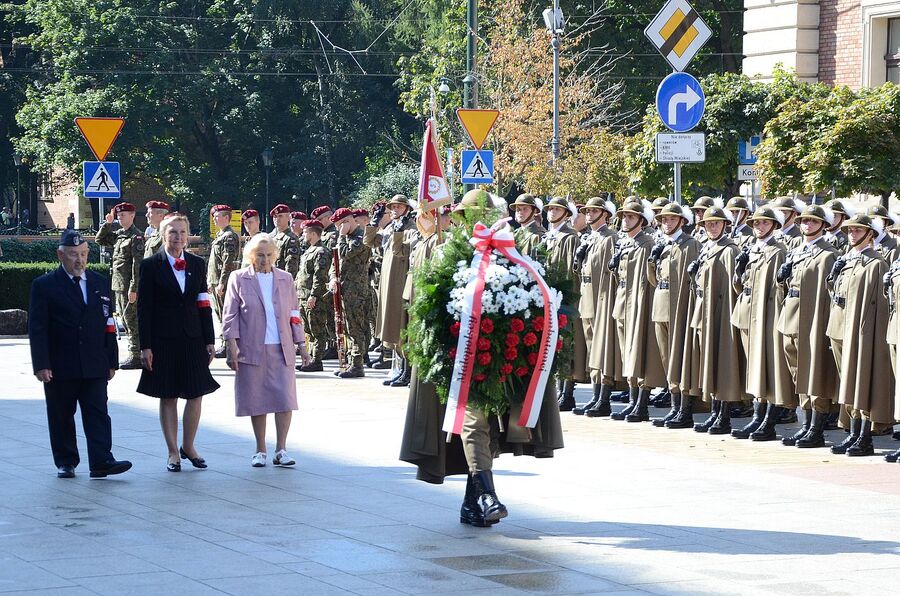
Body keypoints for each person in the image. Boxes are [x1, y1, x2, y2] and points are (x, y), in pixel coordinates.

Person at [400, 189, 563, 527]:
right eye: (469, 215)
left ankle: (471, 502)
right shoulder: (446, 251)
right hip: (456, 354)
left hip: (498, 351)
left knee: (488, 423)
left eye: (482, 216)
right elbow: (424, 298)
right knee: (472, 420)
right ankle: (487, 496)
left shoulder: (509, 252)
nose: (477, 221)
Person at [28, 230, 132, 479]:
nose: (80, 260)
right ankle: (66, 461)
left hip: (94, 361)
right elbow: (38, 328)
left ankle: (101, 460)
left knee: (98, 411)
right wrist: (41, 364)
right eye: (74, 255)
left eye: (84, 254)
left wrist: (111, 360)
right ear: (60, 255)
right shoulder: (45, 286)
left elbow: (109, 323)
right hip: (61, 363)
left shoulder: (98, 282)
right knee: (62, 413)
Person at [137, 214, 220, 471]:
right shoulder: (151, 265)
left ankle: (189, 446)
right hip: (163, 339)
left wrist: (209, 339)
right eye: (173, 232)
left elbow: (204, 302)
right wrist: (146, 345)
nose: (179, 237)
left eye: (183, 232)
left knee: (197, 393)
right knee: (169, 394)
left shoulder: (197, 262)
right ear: (164, 235)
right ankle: (173, 452)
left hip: (193, 337)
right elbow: (144, 309)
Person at [223, 234, 310, 467]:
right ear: (251, 256)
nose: (264, 259)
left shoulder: (285, 278)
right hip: (252, 348)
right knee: (256, 400)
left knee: (284, 399)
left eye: (269, 255)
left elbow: (294, 313)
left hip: (281, 348)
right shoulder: (239, 278)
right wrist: (232, 348)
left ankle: (281, 449)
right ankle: (260, 449)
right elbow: (230, 315)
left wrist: (302, 345)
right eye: (260, 255)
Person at [775, 205, 840, 448]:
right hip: (791, 317)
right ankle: (806, 423)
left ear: (823, 225)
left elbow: (827, 294)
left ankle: (816, 428)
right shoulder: (796, 250)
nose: (807, 225)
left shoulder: (828, 254)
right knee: (798, 372)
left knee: (815, 372)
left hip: (812, 320)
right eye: (804, 221)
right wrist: (781, 277)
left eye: (813, 222)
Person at [828, 214, 893, 456]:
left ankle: (864, 436)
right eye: (850, 231)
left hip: (862, 332)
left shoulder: (876, 264)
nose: (852, 234)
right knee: (848, 381)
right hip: (841, 328)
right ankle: (854, 432)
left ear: (871, 234)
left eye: (858, 230)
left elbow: (878, 307)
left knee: (862, 381)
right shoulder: (849, 259)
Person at [731, 206, 793, 441]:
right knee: (754, 367)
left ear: (774, 226)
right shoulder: (754, 250)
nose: (759, 227)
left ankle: (768, 420)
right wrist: (739, 271)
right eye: (756, 223)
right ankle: (758, 417)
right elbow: (743, 286)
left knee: (768, 367)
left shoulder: (777, 251)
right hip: (749, 314)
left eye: (765, 223)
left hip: (766, 315)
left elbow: (776, 289)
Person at [609, 199, 666, 421]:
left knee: (639, 352)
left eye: (631, 217)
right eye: (624, 216)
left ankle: (640, 403)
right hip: (623, 303)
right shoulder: (627, 242)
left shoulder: (646, 244)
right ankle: (633, 400)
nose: (625, 220)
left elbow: (644, 281)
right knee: (627, 353)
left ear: (641, 220)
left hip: (637, 305)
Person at [646, 203, 700, 428]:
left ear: (681, 221)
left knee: (680, 357)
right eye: (664, 219)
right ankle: (674, 405)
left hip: (680, 306)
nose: (666, 223)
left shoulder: (690, 245)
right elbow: (653, 279)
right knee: (667, 358)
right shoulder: (662, 244)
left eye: (671, 219)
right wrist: (652, 260)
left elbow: (693, 282)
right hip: (661, 304)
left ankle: (684, 409)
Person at [690, 207, 743, 434]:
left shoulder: (729, 250)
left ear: (724, 225)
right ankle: (714, 411)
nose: (711, 227)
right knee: (708, 361)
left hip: (720, 312)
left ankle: (723, 416)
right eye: (708, 223)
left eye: (716, 223)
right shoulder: (707, 248)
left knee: (722, 363)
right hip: (705, 310)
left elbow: (731, 289)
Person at [364, 195, 418, 387]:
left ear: (407, 209)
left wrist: (400, 229)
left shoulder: (411, 228)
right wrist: (373, 222)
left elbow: (401, 250)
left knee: (401, 324)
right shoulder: (389, 227)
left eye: (399, 206)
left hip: (399, 280)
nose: (394, 209)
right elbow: (370, 242)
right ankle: (401, 368)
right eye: (392, 207)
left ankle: (407, 369)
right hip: (387, 281)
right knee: (392, 325)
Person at [572, 196, 617, 415]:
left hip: (602, 298)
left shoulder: (610, 238)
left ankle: (604, 397)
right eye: (587, 211)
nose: (588, 214)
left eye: (593, 211)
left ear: (604, 214)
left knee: (602, 348)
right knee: (592, 348)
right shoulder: (589, 238)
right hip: (587, 298)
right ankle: (595, 393)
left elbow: (609, 274)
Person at [541, 197, 580, 410]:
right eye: (550, 209)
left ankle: (567, 392)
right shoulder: (550, 236)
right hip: (548, 296)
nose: (552, 212)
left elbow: (568, 272)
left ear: (566, 214)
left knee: (565, 344)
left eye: (557, 209)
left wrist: (565, 297)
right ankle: (558, 388)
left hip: (562, 297)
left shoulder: (569, 238)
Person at [96, 202, 145, 369]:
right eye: (118, 215)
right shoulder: (119, 235)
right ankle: (134, 352)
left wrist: (134, 288)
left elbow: (137, 265)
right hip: (118, 283)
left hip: (127, 285)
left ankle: (136, 354)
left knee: (131, 319)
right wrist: (108, 223)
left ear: (132, 216)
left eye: (123, 215)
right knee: (125, 318)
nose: (120, 218)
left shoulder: (136, 237)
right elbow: (100, 239)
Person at [330, 208, 372, 378]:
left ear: (348, 222)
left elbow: (345, 254)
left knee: (356, 328)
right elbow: (336, 262)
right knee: (347, 328)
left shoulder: (361, 237)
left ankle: (357, 365)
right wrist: (333, 278)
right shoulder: (347, 238)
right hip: (344, 289)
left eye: (340, 225)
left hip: (356, 291)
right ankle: (348, 362)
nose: (339, 229)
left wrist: (341, 237)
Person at [295, 219, 331, 372]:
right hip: (303, 295)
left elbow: (320, 276)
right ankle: (310, 359)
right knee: (309, 330)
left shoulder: (321, 252)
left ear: (313, 233)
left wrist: (314, 295)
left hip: (313, 297)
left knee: (317, 330)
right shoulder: (309, 250)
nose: (303, 235)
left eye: (305, 232)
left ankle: (317, 361)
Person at [208, 204, 241, 357]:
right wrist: (211, 281)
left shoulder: (229, 236)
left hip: (224, 280)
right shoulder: (220, 235)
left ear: (227, 218)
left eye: (218, 216)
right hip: (216, 280)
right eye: (214, 216)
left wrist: (222, 281)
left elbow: (228, 261)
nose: (214, 219)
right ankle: (225, 341)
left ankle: (228, 344)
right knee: (220, 312)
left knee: (226, 313)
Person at [269, 204, 301, 277]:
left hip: (282, 280)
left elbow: (291, 266)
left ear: (288, 217)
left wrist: (286, 283)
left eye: (280, 216)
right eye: (275, 217)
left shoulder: (291, 238)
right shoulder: (274, 238)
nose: (277, 219)